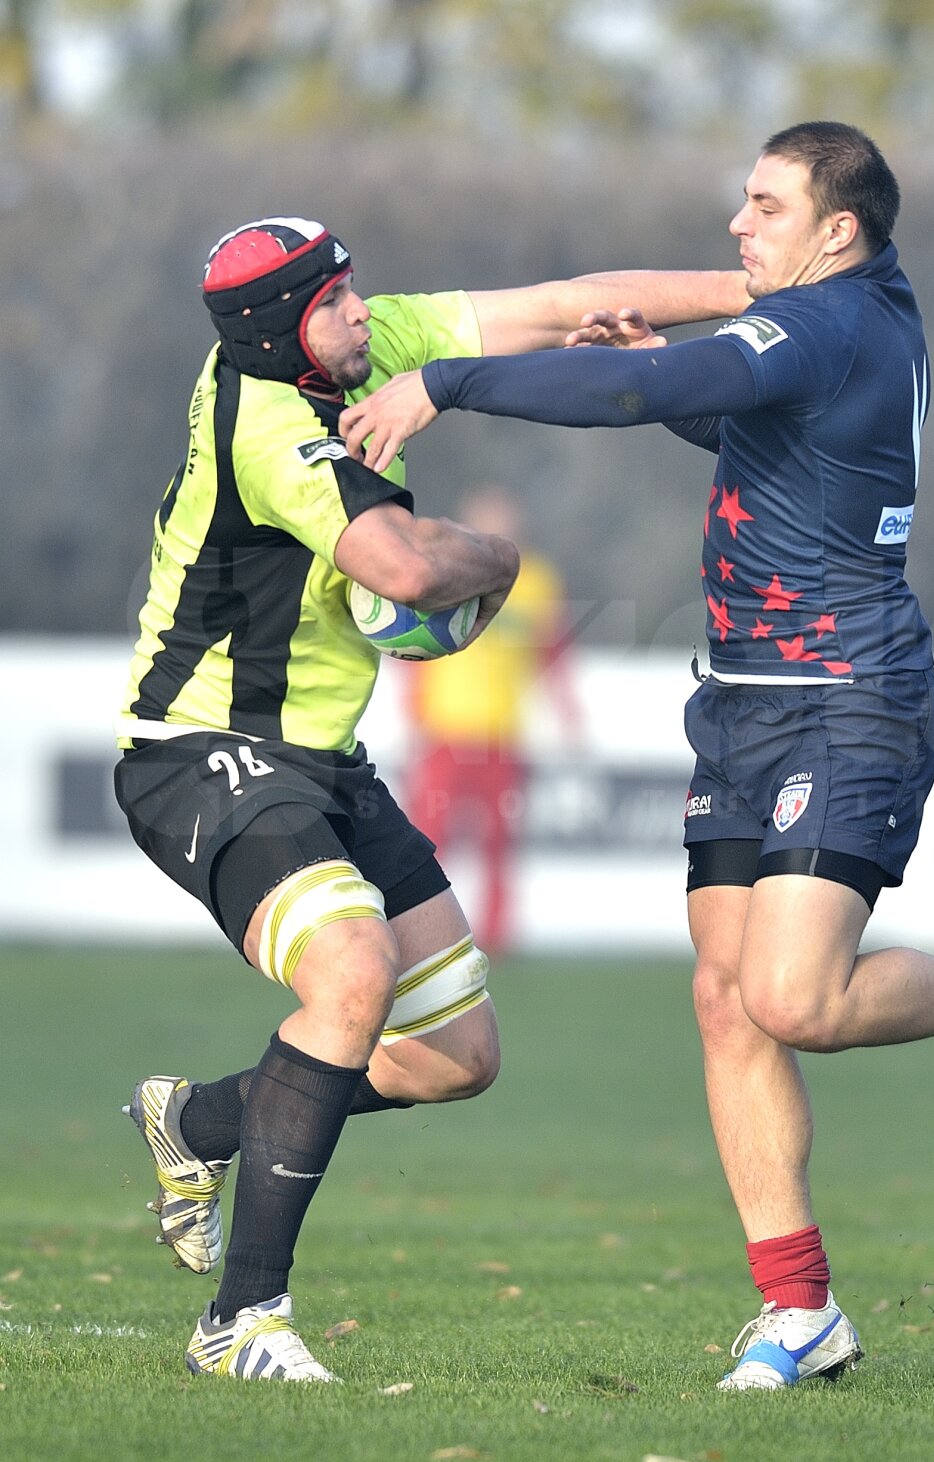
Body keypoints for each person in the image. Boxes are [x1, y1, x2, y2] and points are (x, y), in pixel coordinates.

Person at [337, 122, 934, 1392]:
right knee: (722, 995)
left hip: (848, 697)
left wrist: (453, 383)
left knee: (794, 997)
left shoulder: (827, 323)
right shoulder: (847, 319)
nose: (738, 227)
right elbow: (746, 430)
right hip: (744, 702)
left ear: (837, 229)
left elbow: (642, 395)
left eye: (765, 206)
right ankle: (799, 1309)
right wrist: (670, 372)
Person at [114, 215, 750, 1382]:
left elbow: (568, 299)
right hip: (201, 750)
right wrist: (499, 564)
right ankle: (241, 1317)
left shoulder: (355, 341)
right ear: (277, 331)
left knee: (454, 1053)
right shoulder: (264, 421)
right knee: (351, 974)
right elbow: (405, 569)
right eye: (335, 301)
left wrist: (758, 286)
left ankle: (196, 1122)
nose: (364, 312)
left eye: (356, 291)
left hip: (324, 757)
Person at [400, 483, 579, 958]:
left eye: (505, 513)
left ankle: (496, 940)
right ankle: (423, 934)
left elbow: (551, 651)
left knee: (499, 845)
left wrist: (568, 712)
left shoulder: (537, 581)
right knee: (429, 841)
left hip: (503, 735)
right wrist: (414, 708)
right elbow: (411, 642)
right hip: (446, 732)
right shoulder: (445, 571)